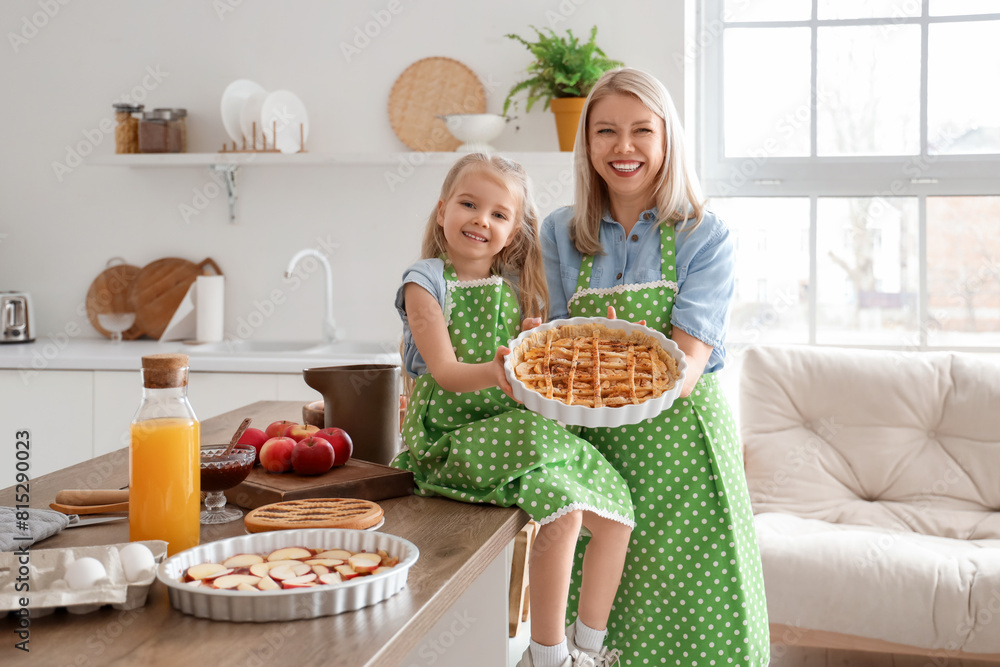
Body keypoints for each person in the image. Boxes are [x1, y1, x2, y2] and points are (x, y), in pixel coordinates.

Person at [541, 68, 770, 666]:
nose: (624, 147)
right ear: (586, 143)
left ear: (667, 140)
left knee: (696, 617)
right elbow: (553, 348)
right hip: (595, 453)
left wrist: (613, 350)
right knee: (602, 623)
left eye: (642, 130)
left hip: (683, 453)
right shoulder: (560, 234)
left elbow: (687, 367)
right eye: (606, 131)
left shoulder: (704, 236)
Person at [392, 153, 635, 667]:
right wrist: (500, 370)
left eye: (499, 214)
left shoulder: (513, 289)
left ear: (513, 233)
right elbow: (444, 372)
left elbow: (537, 362)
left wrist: (601, 338)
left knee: (616, 516)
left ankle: (585, 651)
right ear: (442, 212)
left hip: (508, 431)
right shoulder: (425, 281)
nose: (482, 220)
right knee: (566, 513)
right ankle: (546, 658)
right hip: (449, 435)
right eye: (468, 204)